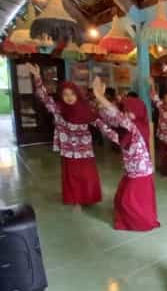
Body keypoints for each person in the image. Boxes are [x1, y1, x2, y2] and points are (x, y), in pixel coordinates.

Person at [28, 63, 117, 211]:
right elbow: (44, 97)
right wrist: (37, 77)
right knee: (72, 176)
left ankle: (89, 197)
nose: (69, 97)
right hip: (68, 150)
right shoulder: (58, 108)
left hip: (84, 150)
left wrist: (117, 138)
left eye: (72, 94)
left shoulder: (86, 108)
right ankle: (75, 199)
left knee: (87, 175)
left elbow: (100, 123)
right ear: (61, 96)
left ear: (77, 94)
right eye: (65, 94)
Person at [92, 78, 160, 232]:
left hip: (140, 173)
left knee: (127, 201)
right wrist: (99, 114)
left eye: (130, 111)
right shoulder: (128, 129)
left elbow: (117, 116)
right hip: (131, 171)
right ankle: (135, 220)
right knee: (123, 199)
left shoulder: (137, 127)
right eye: (125, 110)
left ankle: (141, 222)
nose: (126, 114)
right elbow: (112, 125)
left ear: (138, 112)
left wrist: (99, 96)